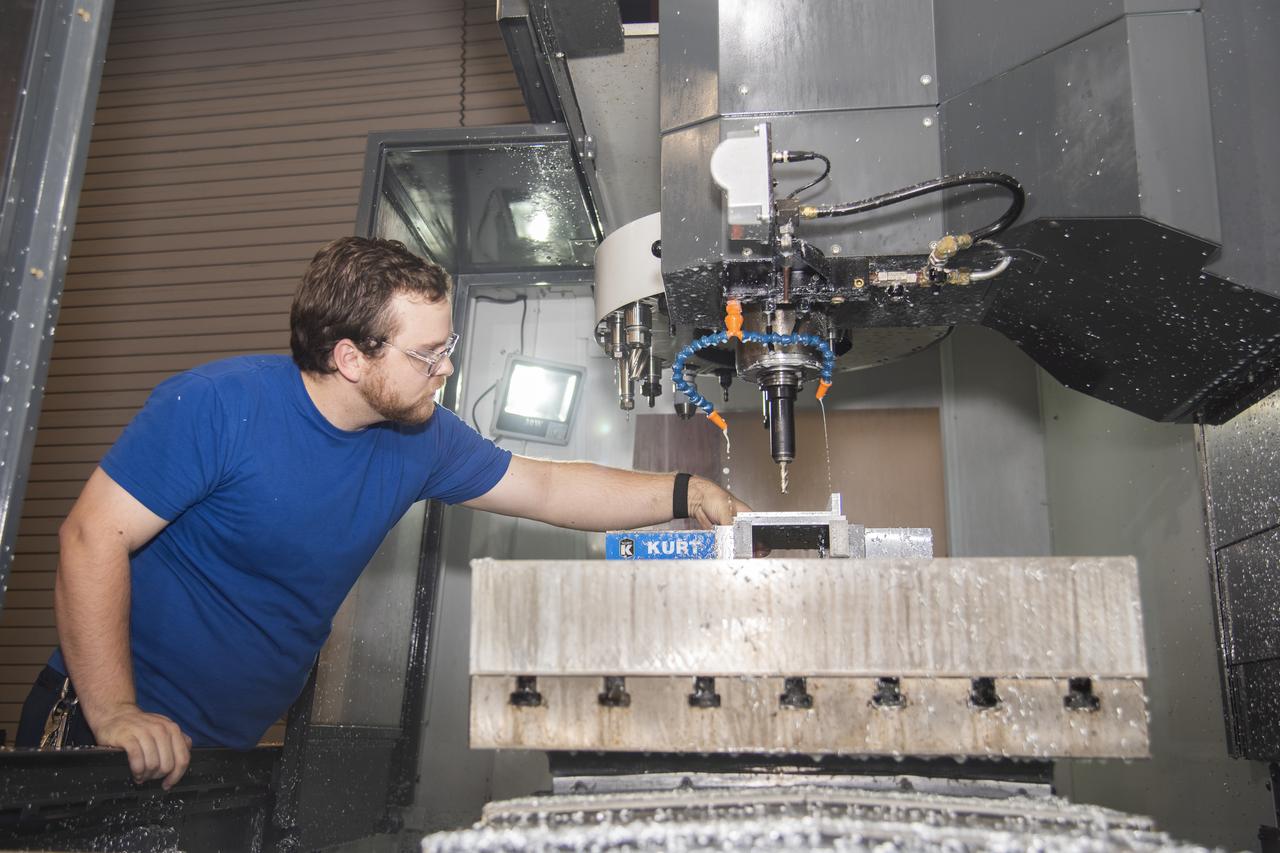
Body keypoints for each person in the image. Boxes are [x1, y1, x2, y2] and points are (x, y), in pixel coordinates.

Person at [15, 237, 748, 788]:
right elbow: (89, 537)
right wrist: (114, 712)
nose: (448, 369)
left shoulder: (420, 439)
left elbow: (549, 489)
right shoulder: (218, 405)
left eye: (448, 347)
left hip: (221, 752)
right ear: (351, 358)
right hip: (104, 735)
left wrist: (683, 491)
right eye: (429, 354)